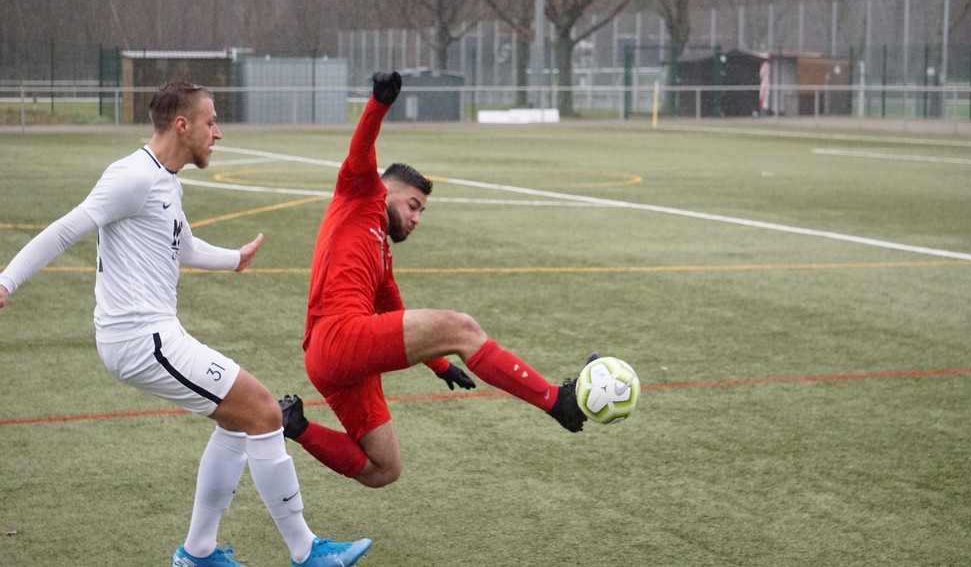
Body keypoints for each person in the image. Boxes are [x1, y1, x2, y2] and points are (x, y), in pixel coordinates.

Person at [0, 82, 371, 567]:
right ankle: (307, 552)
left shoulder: (166, 179)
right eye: (211, 121)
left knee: (240, 424)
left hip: (153, 336)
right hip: (140, 338)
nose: (218, 133)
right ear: (182, 125)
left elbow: (185, 246)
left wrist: (234, 258)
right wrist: (6, 282)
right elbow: (67, 228)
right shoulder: (132, 175)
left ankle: (198, 552)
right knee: (263, 411)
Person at [279, 71, 591, 490]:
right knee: (461, 326)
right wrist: (379, 104)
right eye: (413, 205)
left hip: (331, 363)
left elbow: (396, 314)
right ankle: (559, 403)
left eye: (421, 211)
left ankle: (294, 424)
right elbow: (361, 149)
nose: (416, 219)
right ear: (386, 191)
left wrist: (442, 366)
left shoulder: (381, 255)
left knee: (384, 468)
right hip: (337, 336)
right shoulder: (359, 192)